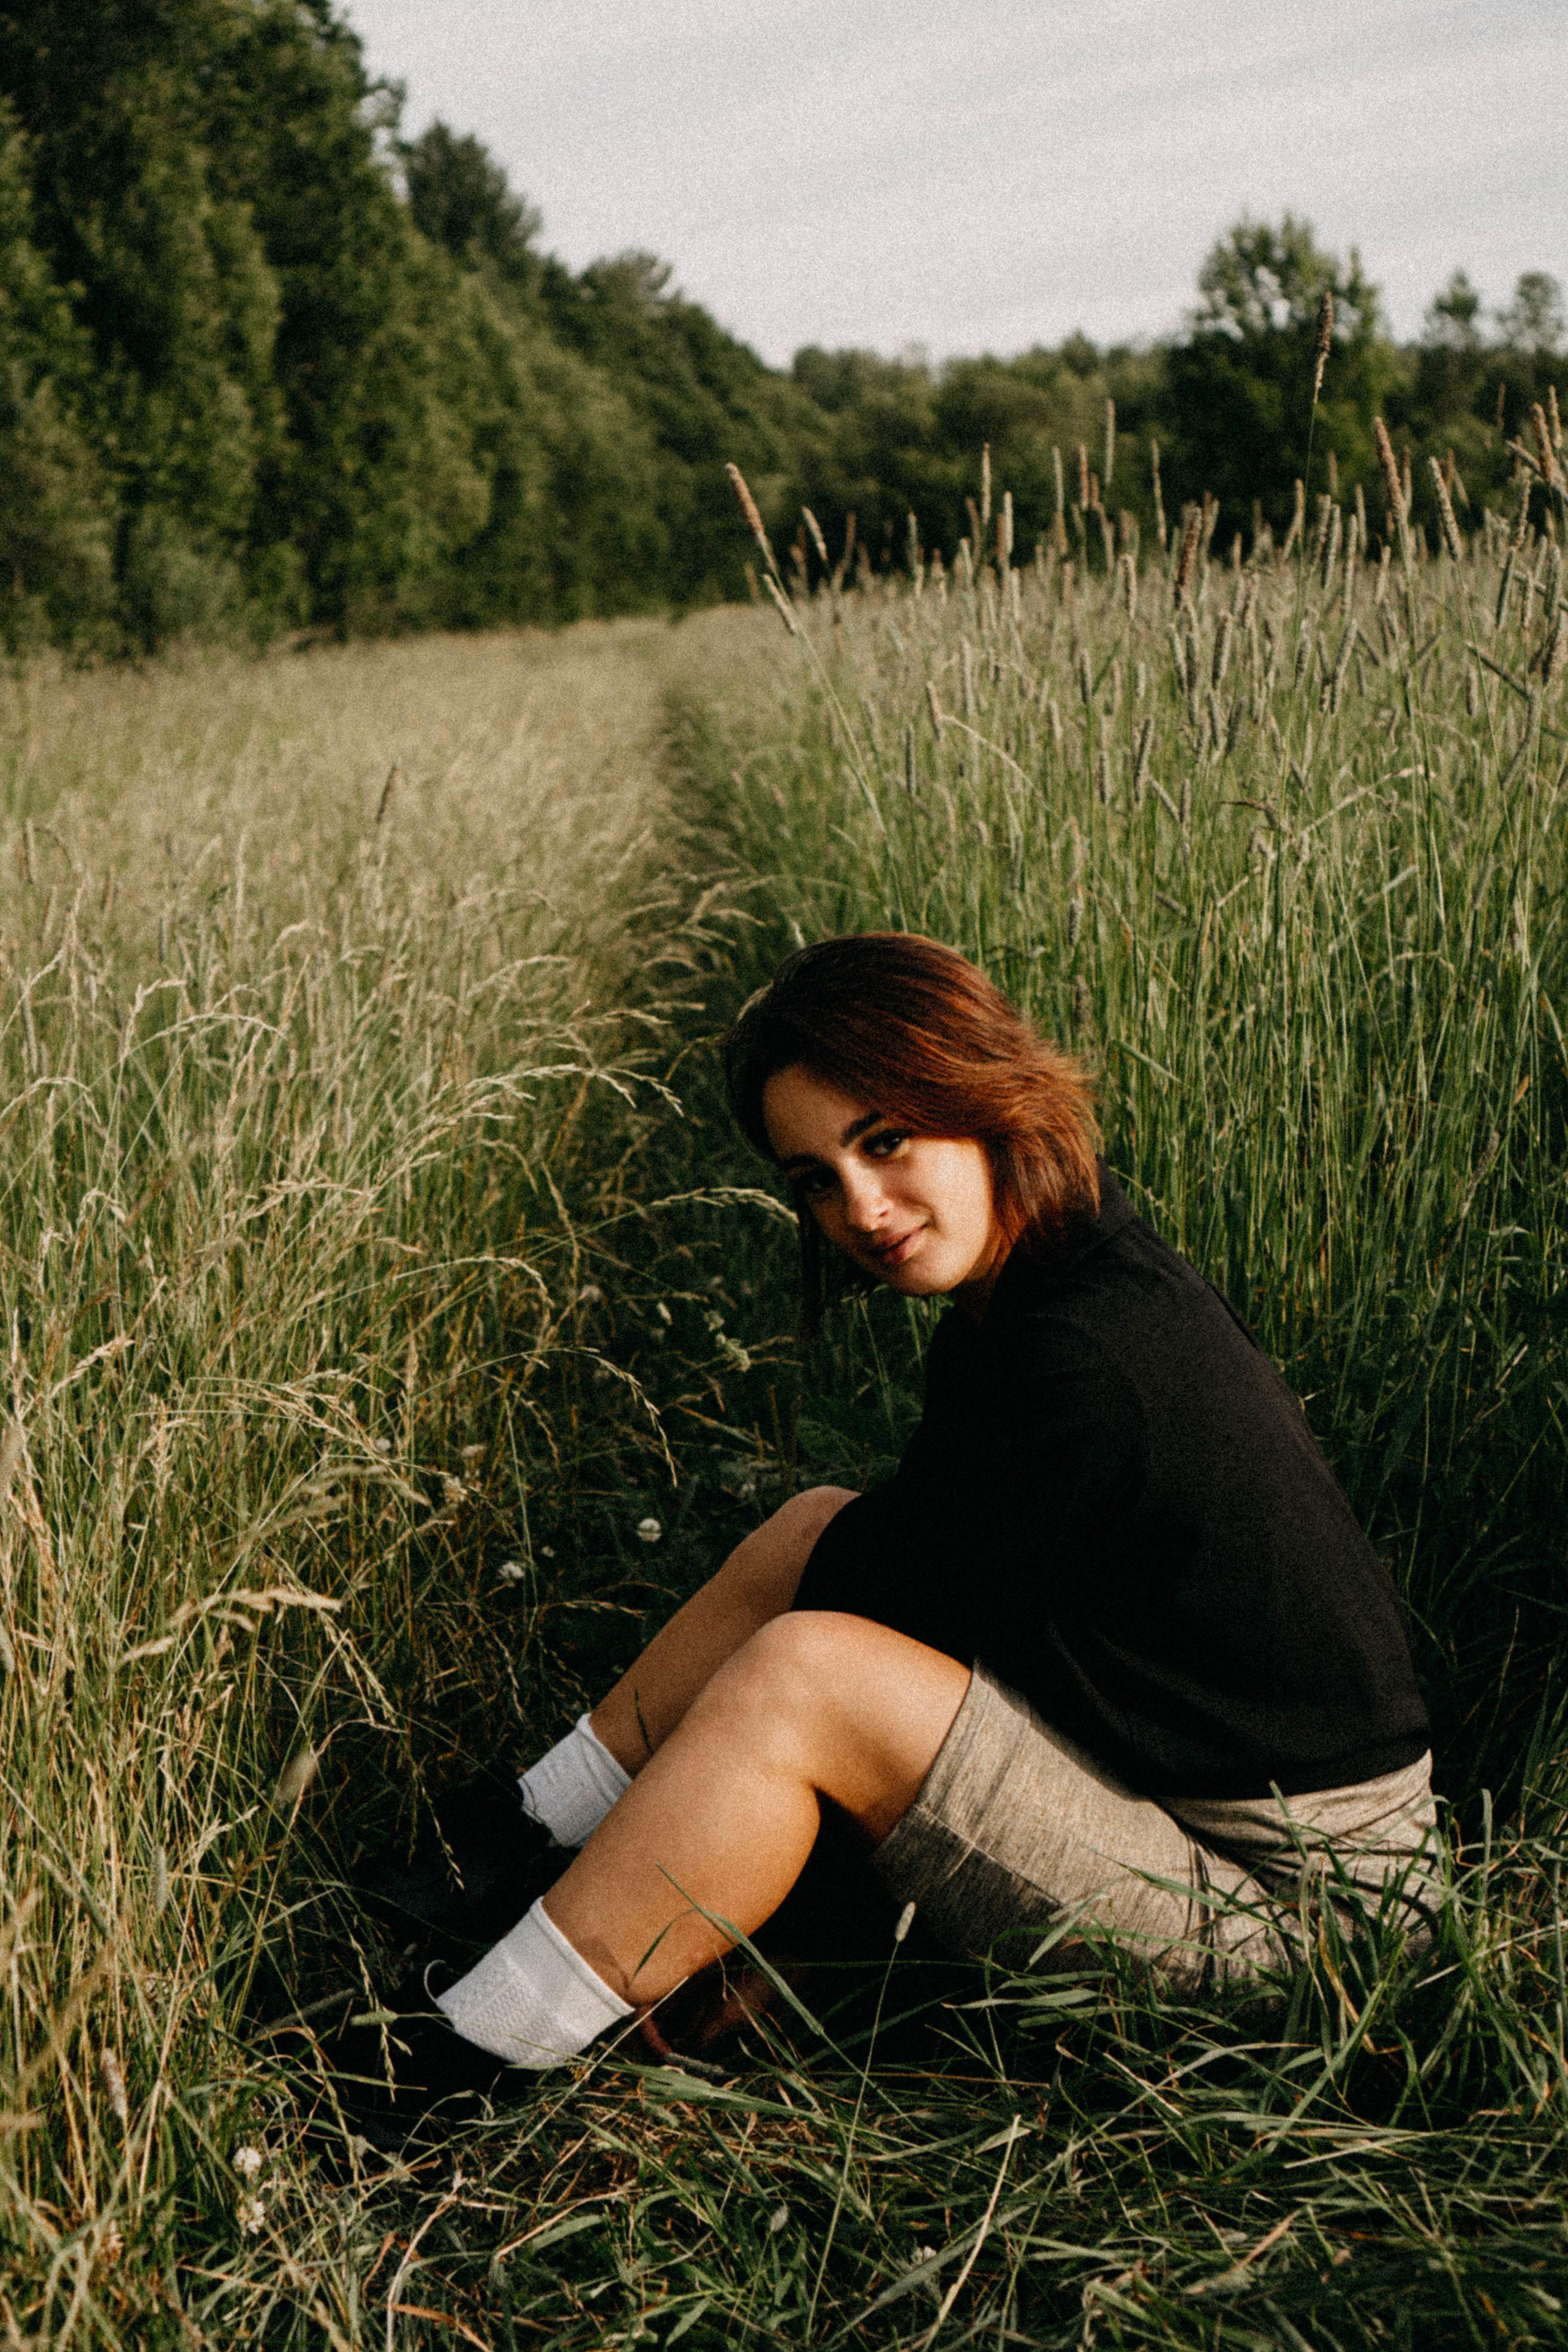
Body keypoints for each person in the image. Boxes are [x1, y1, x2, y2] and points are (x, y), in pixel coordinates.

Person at [326, 933, 1437, 2137]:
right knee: (819, 1531)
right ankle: (516, 1840)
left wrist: (770, 1952)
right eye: (813, 1176)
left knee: (804, 1678)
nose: (859, 1207)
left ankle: (455, 2063)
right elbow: (923, 1614)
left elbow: (870, 1701)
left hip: (1306, 1938)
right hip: (1211, 1833)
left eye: (885, 1141)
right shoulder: (1063, 1268)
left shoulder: (1080, 1363)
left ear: (976, 1094)